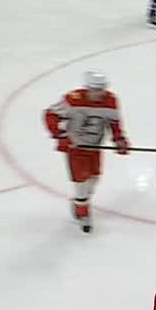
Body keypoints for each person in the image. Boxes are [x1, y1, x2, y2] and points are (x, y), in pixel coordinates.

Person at [43, 71, 130, 233]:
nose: (99, 93)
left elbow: (114, 123)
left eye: (102, 89)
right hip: (76, 147)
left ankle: (80, 201)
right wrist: (61, 136)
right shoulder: (72, 99)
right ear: (87, 88)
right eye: (95, 90)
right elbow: (50, 115)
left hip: (95, 146)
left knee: (94, 179)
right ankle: (83, 211)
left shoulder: (111, 101)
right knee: (81, 181)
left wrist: (119, 139)